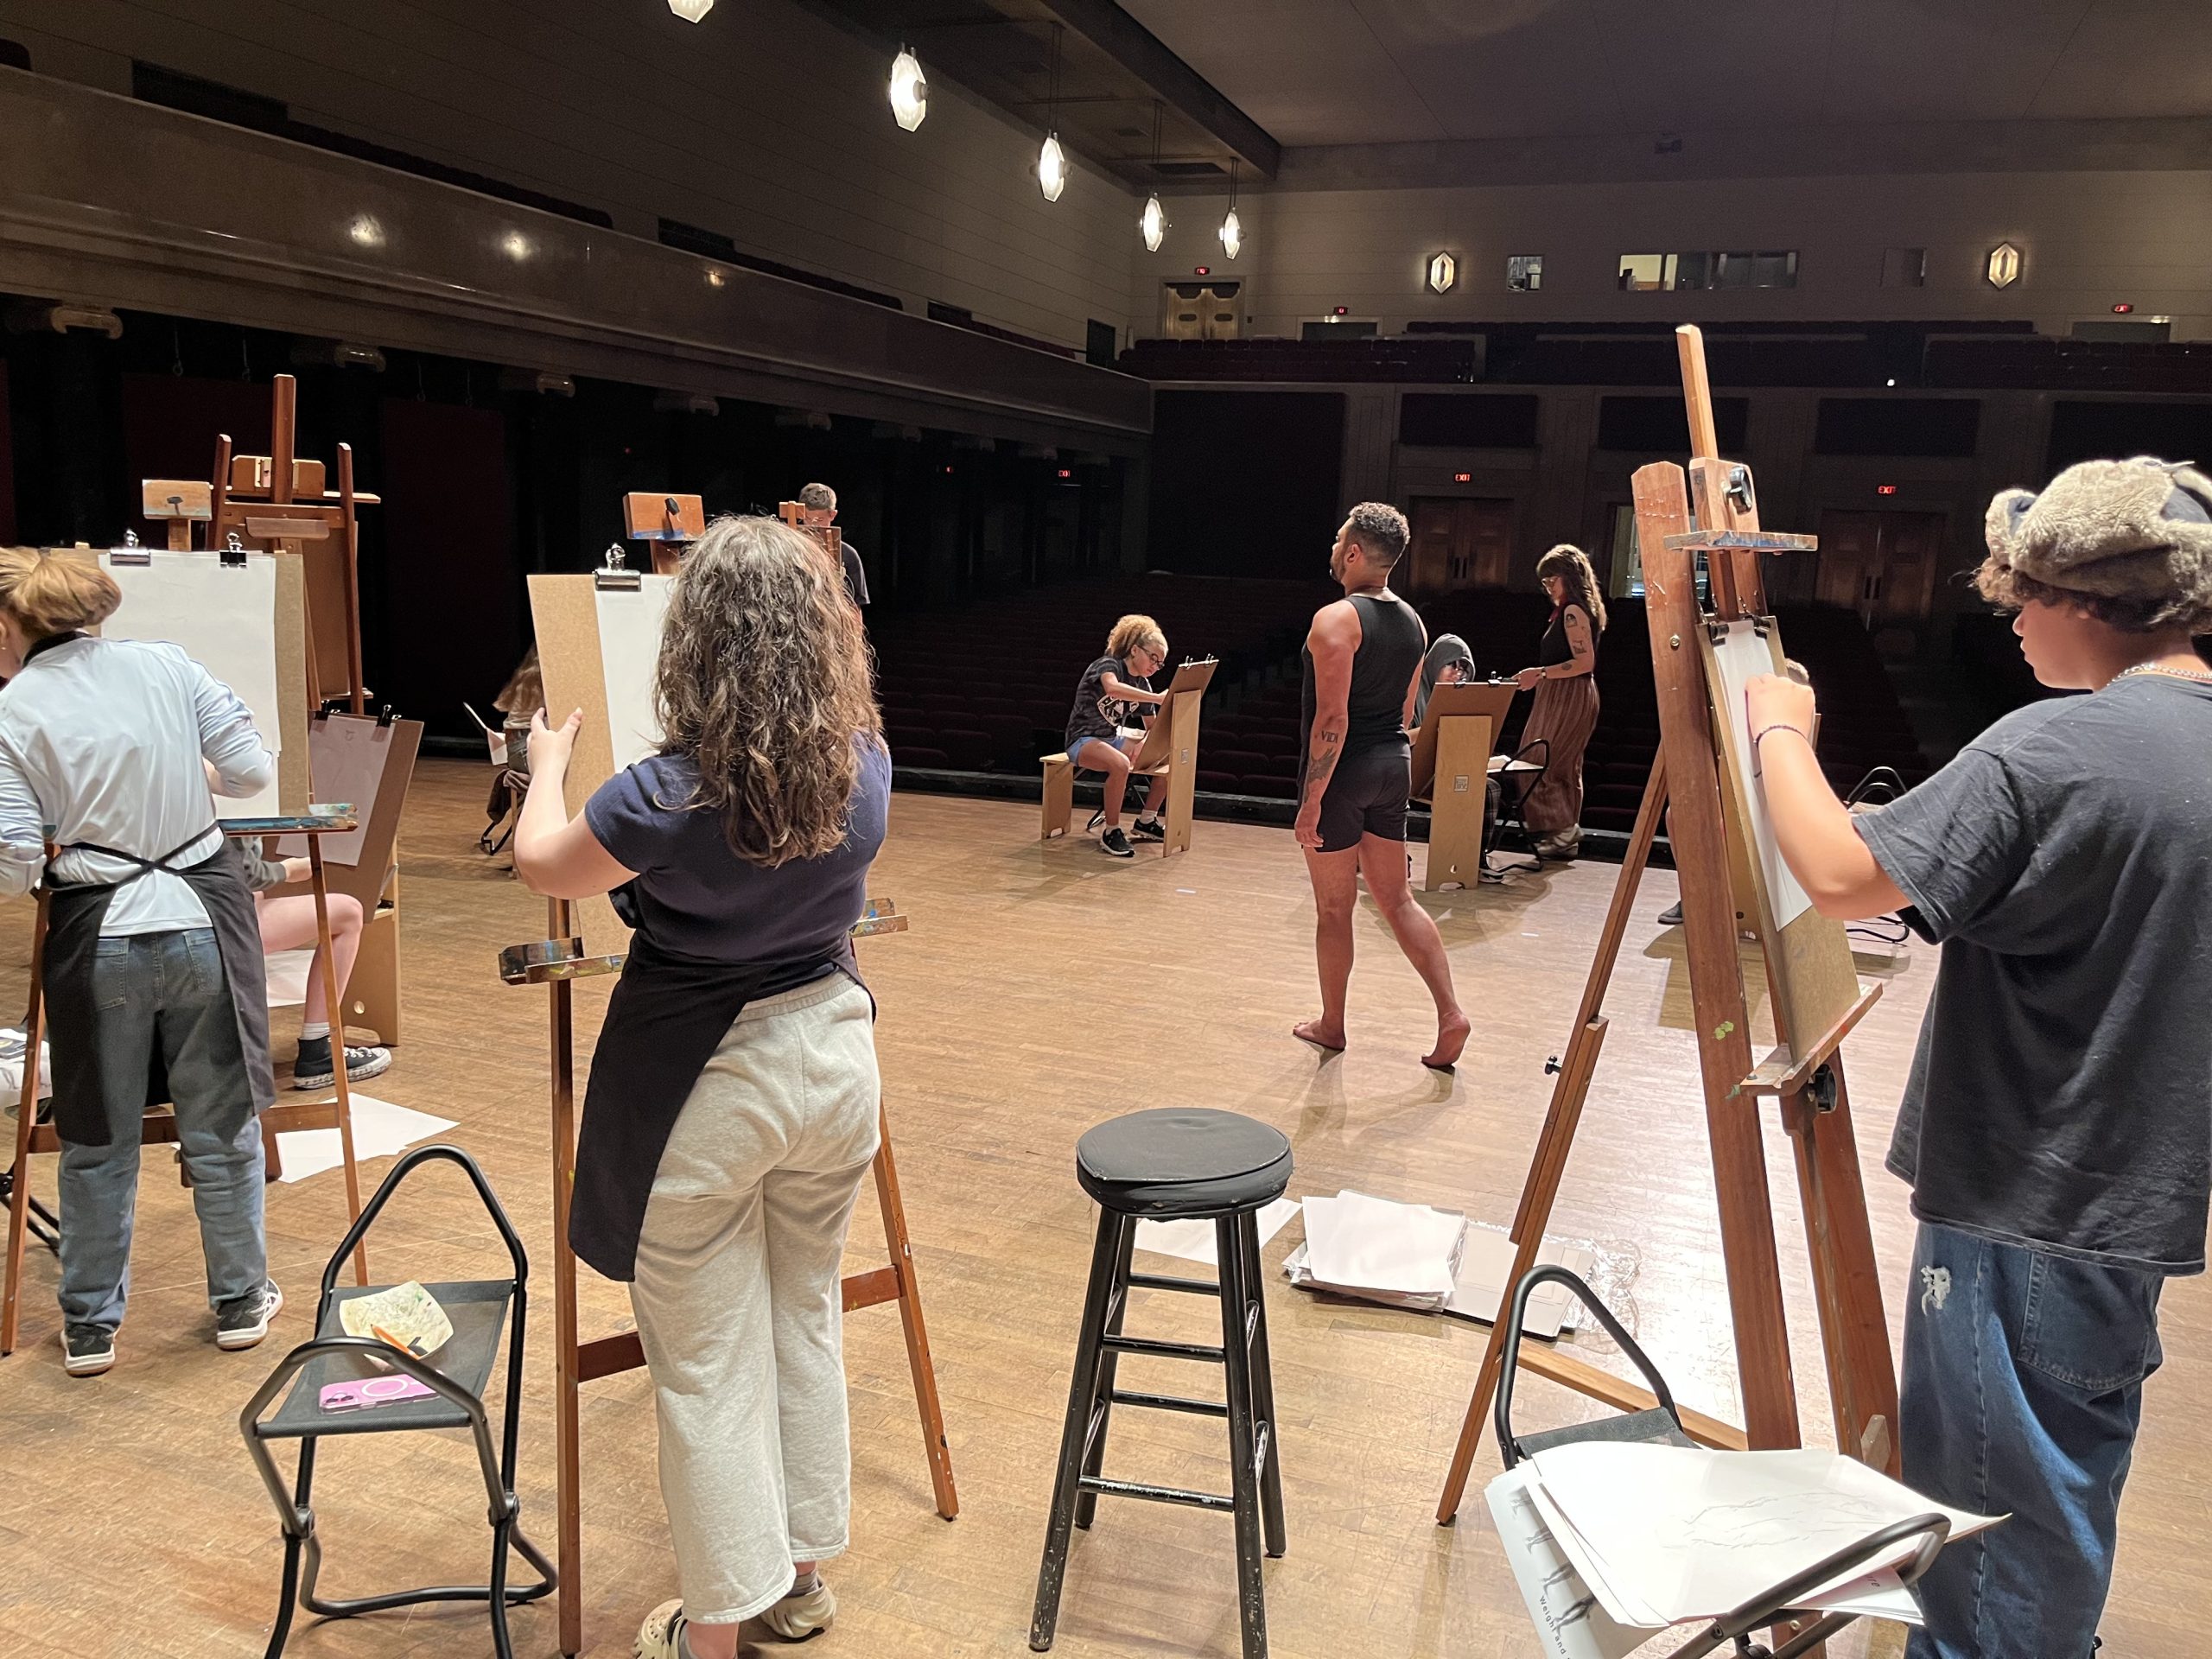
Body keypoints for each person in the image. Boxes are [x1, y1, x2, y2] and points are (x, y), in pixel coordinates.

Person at [1746, 455, 2212, 1659]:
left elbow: (1844, 876)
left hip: (2024, 1205)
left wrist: (1776, 731)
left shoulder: (2058, 749)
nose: (2007, 620)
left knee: (1989, 1535)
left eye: (2026, 595)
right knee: (2060, 1499)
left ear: (2092, 600)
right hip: (2130, 1207)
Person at [512, 514, 889, 1658]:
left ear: (695, 645)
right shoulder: (863, 761)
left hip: (709, 1085)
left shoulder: (660, 796)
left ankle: (711, 1634)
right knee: (802, 1317)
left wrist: (538, 771)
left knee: (709, 1365)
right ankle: (800, 1579)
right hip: (835, 1062)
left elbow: (541, 864)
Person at [0, 548, 283, 1378]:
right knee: (221, 1122)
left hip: (98, 936)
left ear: (13, 624)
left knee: (95, 1131)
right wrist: (184, 776)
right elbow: (251, 771)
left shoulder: (13, 710)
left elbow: (16, 862)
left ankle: (91, 1325)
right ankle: (240, 1300)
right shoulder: (169, 666)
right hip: (205, 917)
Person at [1293, 503, 1469, 1069]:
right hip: (1395, 764)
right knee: (1398, 900)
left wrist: (1312, 802)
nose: (1332, 549)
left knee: (1334, 909)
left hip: (1346, 772)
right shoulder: (1415, 623)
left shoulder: (1335, 620)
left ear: (1353, 551)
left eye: (1338, 539)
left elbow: (1333, 721)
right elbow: (1401, 709)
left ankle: (1332, 1025)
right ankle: (1450, 1014)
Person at [236, 846, 391, 1088]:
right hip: (219, 918)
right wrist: (285, 870)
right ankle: (318, 1047)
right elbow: (234, 869)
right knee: (348, 912)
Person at [1512, 544, 1604, 861]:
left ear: (1569, 577)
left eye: (1553, 580)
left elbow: (1584, 662)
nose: (1548, 587)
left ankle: (1562, 830)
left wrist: (1539, 673)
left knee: (1535, 762)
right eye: (1545, 582)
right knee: (1562, 767)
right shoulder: (1572, 609)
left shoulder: (1572, 612)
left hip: (1567, 692)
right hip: (1567, 692)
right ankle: (1564, 837)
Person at [1063, 614, 1170, 857]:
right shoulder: (1108, 664)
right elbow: (1112, 688)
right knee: (1120, 764)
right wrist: (1156, 698)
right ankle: (1111, 831)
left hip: (1111, 739)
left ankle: (1147, 819)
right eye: (1153, 658)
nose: (1155, 666)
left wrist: (1145, 744)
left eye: (1160, 663)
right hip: (1082, 739)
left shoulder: (1143, 684)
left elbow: (1152, 727)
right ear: (1134, 650)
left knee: (1165, 757)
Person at [797, 481, 872, 611]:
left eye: (819, 520)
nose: (813, 526)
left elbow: (855, 607)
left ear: (832, 515)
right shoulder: (790, 550)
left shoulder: (848, 554)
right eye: (807, 519)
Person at [1412, 632, 1475, 728]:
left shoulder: (1457, 704)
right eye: (1451, 664)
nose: (1456, 674)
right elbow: (1399, 737)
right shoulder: (1410, 694)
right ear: (1436, 661)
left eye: (1463, 668)